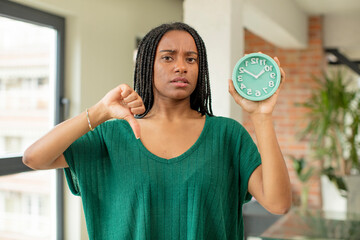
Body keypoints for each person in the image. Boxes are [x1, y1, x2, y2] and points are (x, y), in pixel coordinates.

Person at [23, 22, 291, 240]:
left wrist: (261, 116)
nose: (181, 66)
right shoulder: (112, 135)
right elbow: (34, 157)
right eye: (167, 57)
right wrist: (100, 111)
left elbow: (278, 204)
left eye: (191, 59)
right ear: (146, 65)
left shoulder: (227, 135)